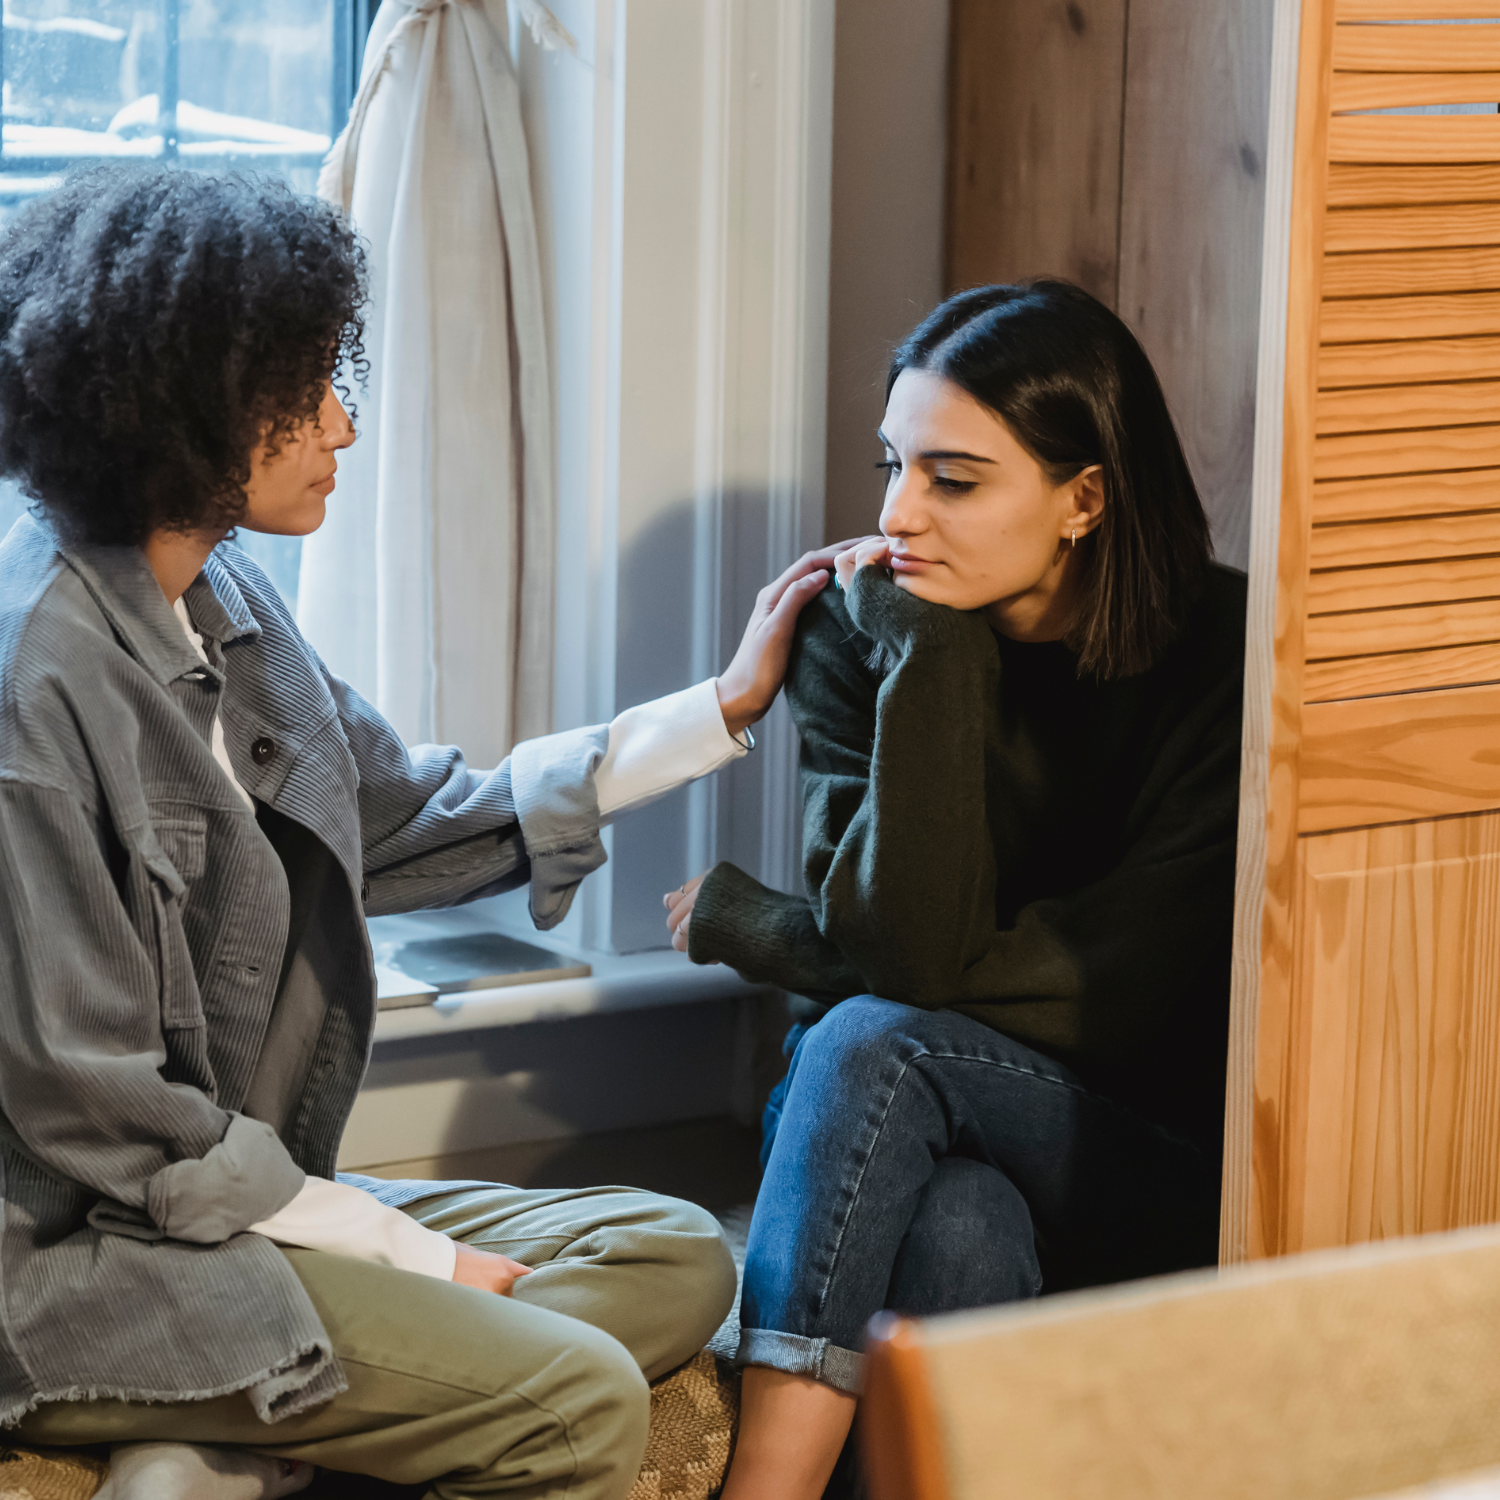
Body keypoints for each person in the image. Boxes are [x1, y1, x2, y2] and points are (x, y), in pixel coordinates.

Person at [0, 165, 860, 1500]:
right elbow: (98, 1112)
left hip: (243, 1214)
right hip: (88, 1253)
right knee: (576, 1402)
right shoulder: (35, 688)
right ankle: (246, 1396)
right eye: (299, 395)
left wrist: (722, 709)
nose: (341, 424)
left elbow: (414, 819)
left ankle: (228, 1433)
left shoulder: (227, 596)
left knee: (680, 1255)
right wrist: (406, 1258)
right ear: (181, 410)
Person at [664, 281, 1247, 1499]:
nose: (896, 515)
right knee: (959, 1223)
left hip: (1129, 1143)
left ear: (1085, 497)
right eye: (893, 465)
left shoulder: (1224, 657)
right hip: (868, 1130)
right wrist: (932, 658)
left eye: (954, 478)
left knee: (878, 1033)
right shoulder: (862, 632)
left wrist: (774, 931)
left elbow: (1113, 991)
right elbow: (900, 941)